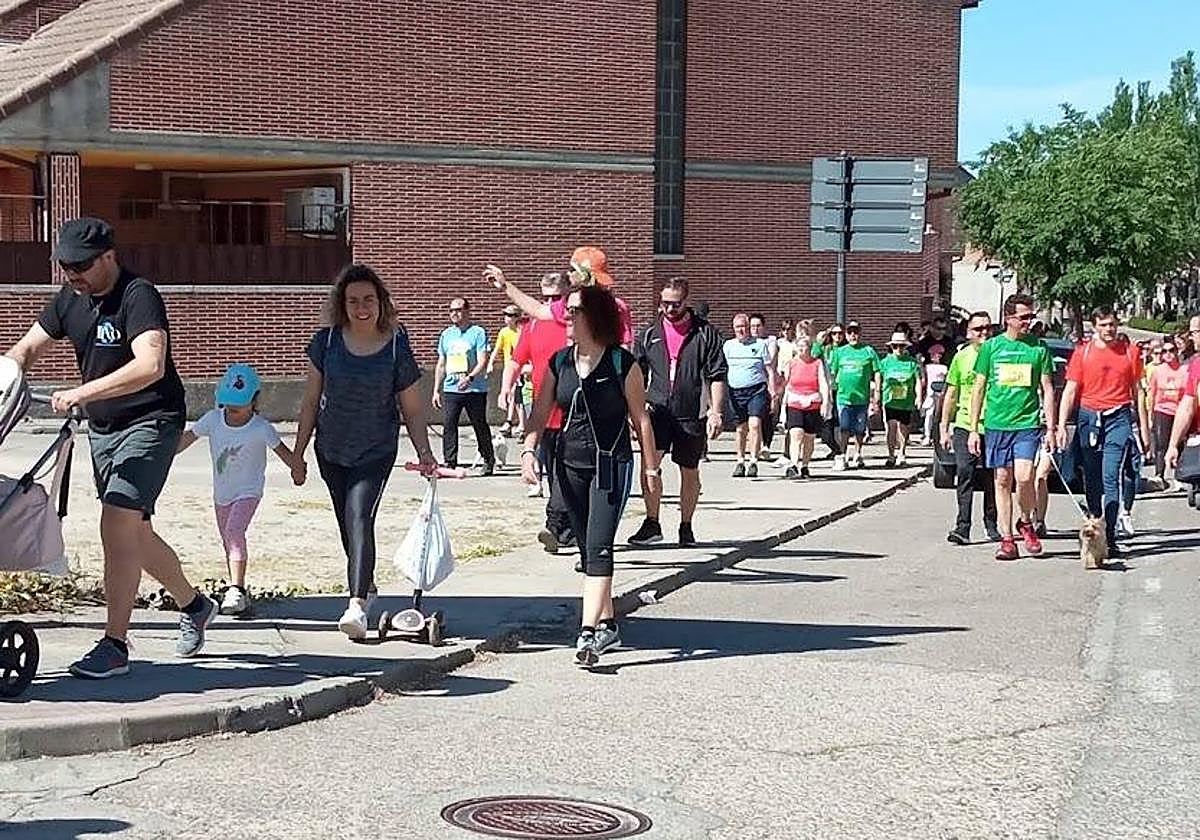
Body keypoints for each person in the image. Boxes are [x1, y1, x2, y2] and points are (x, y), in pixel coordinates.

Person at [3, 217, 215, 678]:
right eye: (65, 266)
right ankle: (194, 605)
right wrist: (10, 370)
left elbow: (151, 365)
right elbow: (27, 348)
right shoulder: (70, 298)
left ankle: (115, 646)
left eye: (81, 265)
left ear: (108, 258)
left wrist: (82, 392)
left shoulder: (138, 296)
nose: (72, 275)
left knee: (116, 520)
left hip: (152, 419)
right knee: (133, 532)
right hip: (104, 426)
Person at [294, 263, 437, 640]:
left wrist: (424, 451)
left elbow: (411, 407)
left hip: (375, 448)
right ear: (342, 304)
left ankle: (357, 605)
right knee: (347, 524)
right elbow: (310, 402)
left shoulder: (394, 344)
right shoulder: (325, 342)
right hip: (331, 447)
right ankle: (368, 586)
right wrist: (298, 454)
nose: (362, 307)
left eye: (369, 300)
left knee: (359, 516)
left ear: (380, 303)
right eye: (353, 300)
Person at [519, 284, 658, 667]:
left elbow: (640, 418)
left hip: (611, 466)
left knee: (598, 548)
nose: (567, 317)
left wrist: (650, 468)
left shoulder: (621, 364)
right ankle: (609, 622)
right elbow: (540, 412)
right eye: (567, 311)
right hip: (568, 466)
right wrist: (529, 451)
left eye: (575, 311)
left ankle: (588, 633)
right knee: (586, 548)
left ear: (595, 317)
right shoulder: (559, 363)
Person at [176, 364, 297, 616]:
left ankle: (237, 590)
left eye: (239, 406)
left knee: (234, 531)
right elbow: (185, 441)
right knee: (228, 538)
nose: (232, 410)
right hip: (222, 493)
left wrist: (298, 469)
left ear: (254, 402)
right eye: (228, 404)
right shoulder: (212, 419)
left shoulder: (260, 427)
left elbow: (284, 452)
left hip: (248, 491)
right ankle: (235, 584)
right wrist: (160, 453)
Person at [627, 277, 726, 547]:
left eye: (676, 304)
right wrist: (634, 410)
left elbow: (717, 375)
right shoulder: (650, 333)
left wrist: (715, 411)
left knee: (689, 469)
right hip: (657, 410)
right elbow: (636, 373)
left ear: (686, 301)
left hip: (690, 412)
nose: (670, 309)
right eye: (665, 304)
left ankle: (686, 525)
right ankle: (652, 522)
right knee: (650, 466)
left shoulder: (705, 333)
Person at [968, 293, 1056, 561]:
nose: (1029, 321)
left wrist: (1051, 428)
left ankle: (1026, 521)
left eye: (1031, 316)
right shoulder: (991, 348)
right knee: (1002, 480)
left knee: (1025, 477)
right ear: (1008, 319)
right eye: (1024, 317)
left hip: (1027, 424)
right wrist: (974, 428)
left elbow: (1048, 389)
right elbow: (979, 388)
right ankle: (1007, 539)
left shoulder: (1038, 348)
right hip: (997, 425)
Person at [1057, 308, 1148, 557]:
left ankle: (1110, 535)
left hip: (1119, 417)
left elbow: (1138, 391)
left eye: (1113, 324)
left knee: (1112, 475)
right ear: (1095, 326)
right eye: (1104, 325)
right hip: (1090, 417)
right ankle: (1096, 523)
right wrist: (1061, 424)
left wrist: (1144, 428)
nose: (1109, 329)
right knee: (1092, 477)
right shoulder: (1083, 353)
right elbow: (1070, 390)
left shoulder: (1130, 352)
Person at [503, 272, 574, 542]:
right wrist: (506, 388)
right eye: (545, 298)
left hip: (571, 407)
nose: (551, 303)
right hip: (543, 410)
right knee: (553, 470)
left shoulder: (574, 323)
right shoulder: (533, 325)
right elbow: (516, 359)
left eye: (556, 297)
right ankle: (567, 528)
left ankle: (555, 525)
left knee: (568, 471)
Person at [487, 246, 634, 348]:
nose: (568, 274)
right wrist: (506, 286)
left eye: (573, 270)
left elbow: (624, 345)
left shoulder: (579, 304)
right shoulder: (617, 305)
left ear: (585, 275)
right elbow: (538, 310)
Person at [939, 311, 1000, 545]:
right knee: (965, 472)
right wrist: (945, 427)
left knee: (993, 477)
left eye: (987, 328)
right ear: (968, 333)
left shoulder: (998, 355)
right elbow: (951, 394)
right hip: (965, 424)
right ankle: (962, 527)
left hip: (994, 424)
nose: (983, 333)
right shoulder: (961, 357)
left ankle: (991, 523)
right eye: (978, 329)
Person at [434, 297, 495, 475]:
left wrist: (470, 377)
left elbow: (483, 360)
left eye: (458, 310)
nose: (454, 313)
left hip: (474, 388)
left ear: (467, 311)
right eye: (451, 310)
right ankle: (450, 461)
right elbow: (441, 363)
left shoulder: (477, 332)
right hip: (451, 387)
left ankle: (488, 459)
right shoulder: (446, 334)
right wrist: (436, 389)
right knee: (449, 424)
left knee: (479, 424)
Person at [723, 313, 773, 477]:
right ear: (733, 328)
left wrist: (773, 391)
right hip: (736, 391)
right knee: (740, 429)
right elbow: (722, 370)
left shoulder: (759, 345)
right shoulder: (728, 346)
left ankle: (753, 461)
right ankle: (740, 461)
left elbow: (769, 370)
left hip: (756, 389)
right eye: (738, 327)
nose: (741, 330)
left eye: (744, 327)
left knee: (754, 424)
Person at [827, 320, 880, 469]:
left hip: (862, 398)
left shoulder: (868, 351)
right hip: (843, 397)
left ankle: (857, 453)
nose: (853, 335)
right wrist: (829, 392)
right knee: (844, 427)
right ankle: (843, 455)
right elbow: (833, 372)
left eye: (855, 332)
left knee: (859, 429)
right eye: (850, 333)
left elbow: (877, 372)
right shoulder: (840, 352)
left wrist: (876, 393)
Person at [782, 333, 830, 479]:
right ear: (796, 348)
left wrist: (826, 403)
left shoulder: (817, 363)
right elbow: (786, 385)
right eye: (801, 347)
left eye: (806, 347)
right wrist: (783, 408)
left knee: (809, 437)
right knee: (796, 433)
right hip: (795, 402)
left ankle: (805, 465)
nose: (804, 349)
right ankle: (794, 464)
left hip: (813, 402)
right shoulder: (791, 364)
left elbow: (823, 383)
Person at [879, 330, 924, 467]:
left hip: (906, 400)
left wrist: (919, 397)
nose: (898, 349)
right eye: (895, 346)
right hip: (889, 400)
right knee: (891, 427)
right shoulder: (885, 362)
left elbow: (918, 381)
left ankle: (902, 453)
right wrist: (876, 396)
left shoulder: (912, 363)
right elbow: (878, 379)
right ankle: (891, 455)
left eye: (901, 346)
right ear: (891, 347)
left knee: (904, 427)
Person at [1149, 338, 1188, 488]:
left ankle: (1180, 476)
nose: (1168, 354)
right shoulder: (1157, 371)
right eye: (1165, 351)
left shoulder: (1184, 370)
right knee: (1161, 444)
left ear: (1177, 352)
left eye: (1171, 350)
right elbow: (1152, 394)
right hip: (1162, 410)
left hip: (1179, 411)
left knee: (1180, 445)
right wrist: (1150, 415)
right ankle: (1160, 475)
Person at [1165, 314, 1200, 473]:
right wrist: (1173, 445)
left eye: (1194, 333)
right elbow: (1187, 407)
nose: (1192, 338)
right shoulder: (1197, 365)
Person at [489, 304, 524, 437]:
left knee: (516, 395)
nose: (506, 318)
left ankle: (517, 423)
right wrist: (491, 364)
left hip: (520, 368)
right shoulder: (504, 332)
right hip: (508, 368)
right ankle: (512, 422)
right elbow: (497, 349)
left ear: (516, 317)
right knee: (511, 396)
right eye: (505, 315)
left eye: (509, 315)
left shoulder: (521, 332)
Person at [921, 345, 949, 446]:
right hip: (930, 393)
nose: (937, 357)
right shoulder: (927, 367)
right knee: (929, 414)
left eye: (939, 354)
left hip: (940, 393)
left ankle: (937, 436)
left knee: (939, 416)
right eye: (935, 354)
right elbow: (923, 380)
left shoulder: (944, 368)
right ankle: (927, 435)